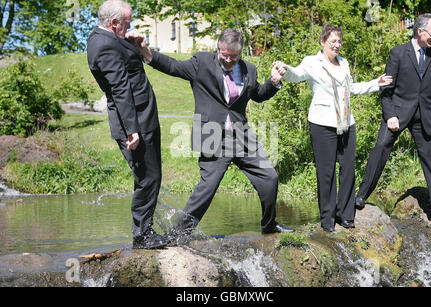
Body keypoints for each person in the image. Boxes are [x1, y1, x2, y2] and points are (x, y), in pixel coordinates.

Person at [126, 28, 295, 237]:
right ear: (218, 49)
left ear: (240, 53)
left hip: (241, 135)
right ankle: (179, 234)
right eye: (225, 55)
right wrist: (145, 51)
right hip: (212, 135)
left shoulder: (249, 70)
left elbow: (258, 94)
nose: (229, 60)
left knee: (269, 178)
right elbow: (172, 66)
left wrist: (274, 82)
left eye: (234, 56)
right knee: (207, 189)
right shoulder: (202, 63)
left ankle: (269, 225)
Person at [273, 24, 392, 232]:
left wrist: (377, 83)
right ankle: (327, 219)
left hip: (347, 122)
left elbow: (352, 88)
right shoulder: (312, 62)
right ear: (322, 42)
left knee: (348, 170)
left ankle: (346, 215)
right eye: (332, 42)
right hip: (322, 124)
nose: (337, 45)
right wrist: (284, 69)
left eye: (339, 41)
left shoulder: (344, 63)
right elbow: (296, 74)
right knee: (326, 172)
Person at [87, 0, 167, 249]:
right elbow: (120, 88)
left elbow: (129, 67)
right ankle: (143, 236)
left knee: (149, 176)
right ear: (113, 23)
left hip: (142, 118)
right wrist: (132, 130)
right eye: (127, 23)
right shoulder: (103, 46)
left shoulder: (109, 40)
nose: (130, 26)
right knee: (148, 177)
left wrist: (135, 45)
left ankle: (145, 230)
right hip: (135, 123)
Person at [355, 13, 431, 223]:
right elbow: (386, 89)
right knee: (380, 150)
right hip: (397, 114)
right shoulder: (397, 53)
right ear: (420, 31)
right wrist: (390, 116)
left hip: (425, 116)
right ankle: (360, 196)